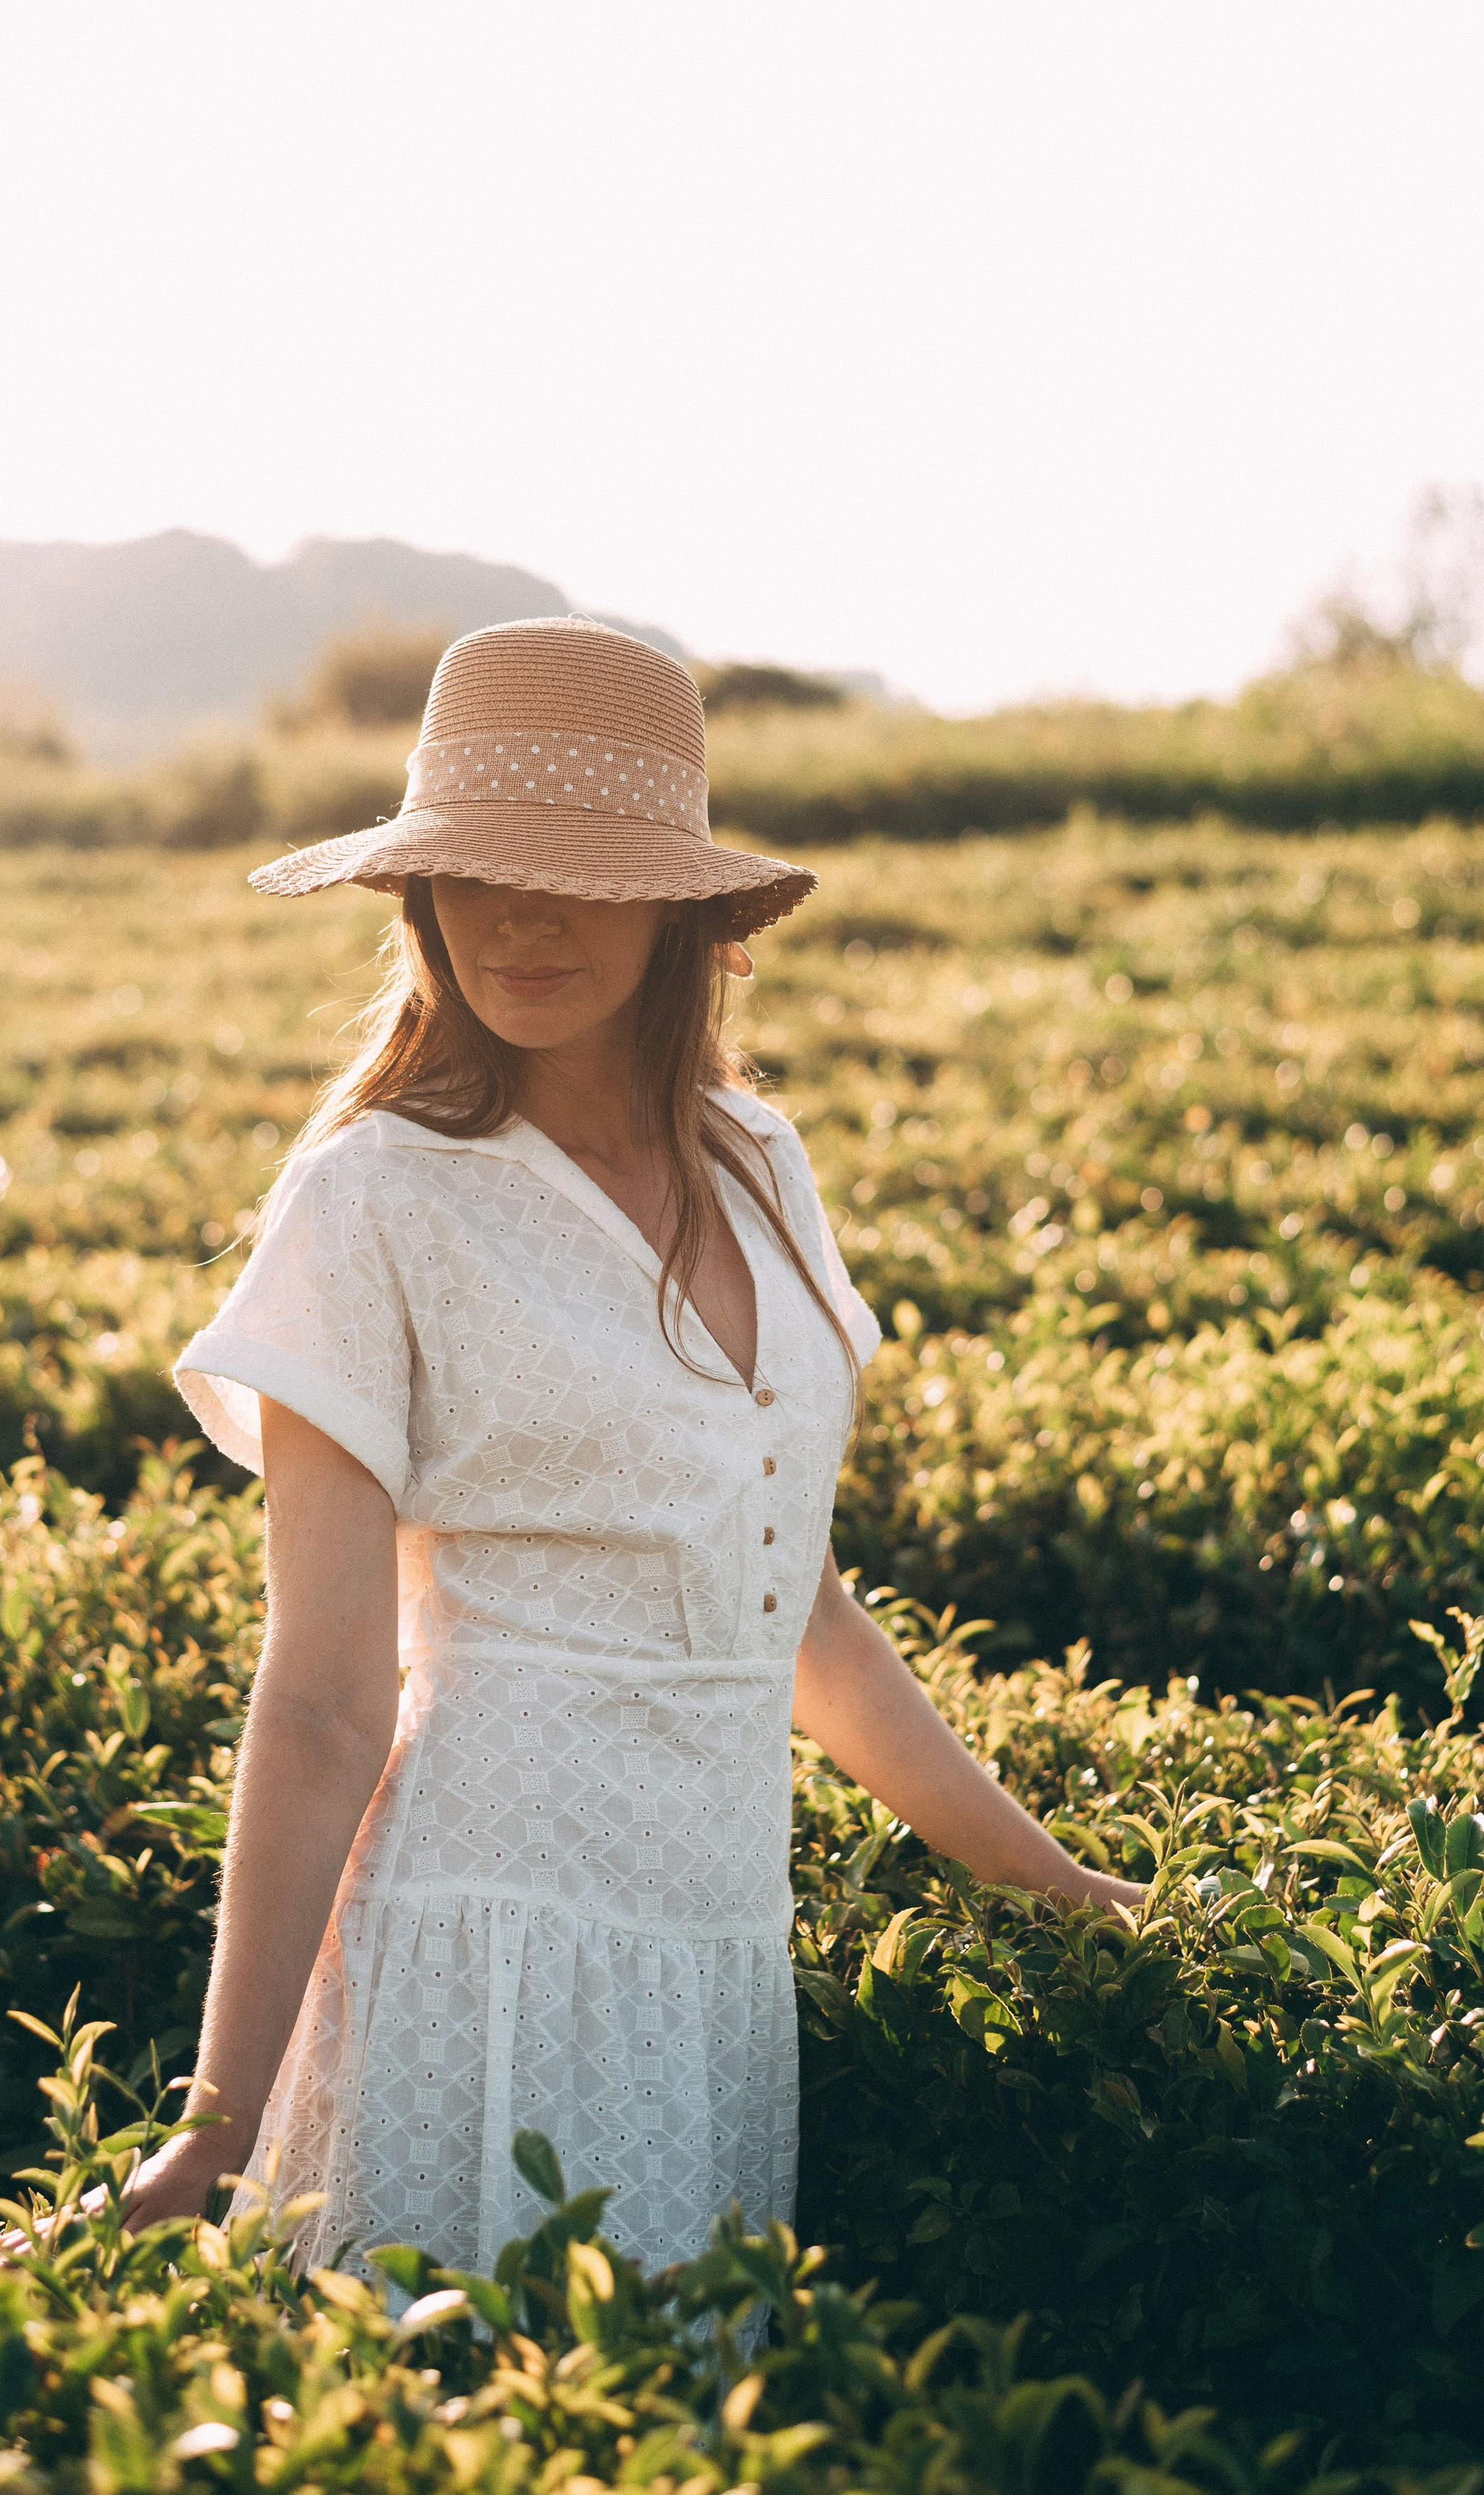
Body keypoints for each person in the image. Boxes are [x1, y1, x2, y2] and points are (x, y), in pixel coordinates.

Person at [143, 617, 1141, 2273]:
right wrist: (217, 2122)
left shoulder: (759, 1163)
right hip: (481, 1939)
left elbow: (799, 1614)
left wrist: (1064, 1888)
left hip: (712, 1955)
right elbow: (320, 1699)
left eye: (578, 874)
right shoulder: (373, 1197)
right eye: (474, 871)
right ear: (418, 895)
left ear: (680, 907)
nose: (519, 917)